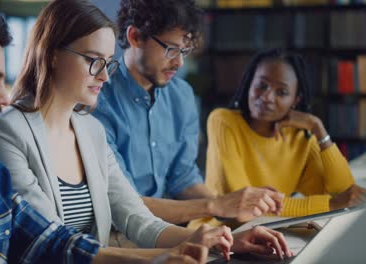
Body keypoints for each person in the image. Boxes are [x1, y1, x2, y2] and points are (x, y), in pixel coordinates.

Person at [0, 0, 292, 261]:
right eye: (92, 61)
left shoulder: (90, 130)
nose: (103, 75)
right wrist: (159, 257)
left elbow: (135, 217)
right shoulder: (7, 133)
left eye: (106, 62)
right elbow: (54, 243)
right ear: (51, 55)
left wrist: (226, 239)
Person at [0, 6, 213, 264]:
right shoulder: (4, 139)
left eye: (107, 64)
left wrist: (194, 248)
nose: (4, 97)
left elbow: (52, 242)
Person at [92, 0, 284, 227]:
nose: (179, 63)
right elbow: (125, 205)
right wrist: (216, 206)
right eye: (171, 50)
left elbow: (182, 178)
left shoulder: (181, 95)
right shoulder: (97, 103)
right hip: (119, 234)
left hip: (169, 228)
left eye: (185, 51)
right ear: (135, 37)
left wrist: (236, 209)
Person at [189, 49, 366, 229]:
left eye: (281, 92)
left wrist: (317, 128)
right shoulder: (223, 122)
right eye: (262, 85)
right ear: (250, 83)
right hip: (213, 234)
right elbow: (243, 207)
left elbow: (345, 194)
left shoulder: (301, 138)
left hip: (268, 233)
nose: (267, 97)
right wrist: (331, 205)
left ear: (296, 100)